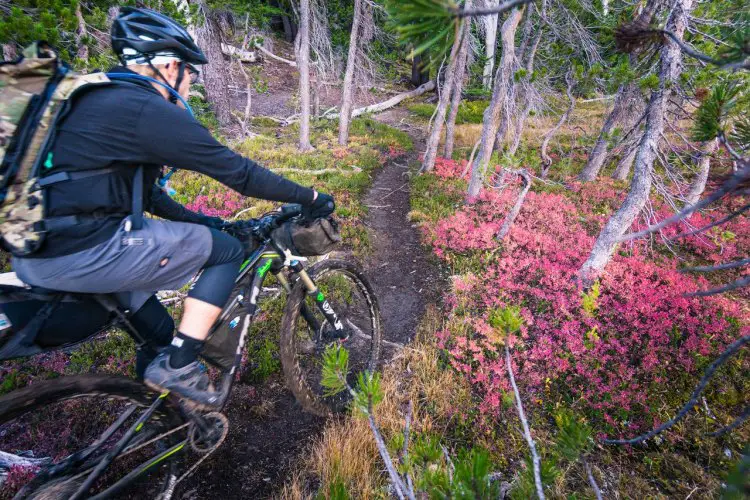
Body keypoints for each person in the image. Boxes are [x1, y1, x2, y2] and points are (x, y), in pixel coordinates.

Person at [11, 7, 334, 406]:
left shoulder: (95, 99)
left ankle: (161, 395)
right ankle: (179, 365)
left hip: (36, 254)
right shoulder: (144, 109)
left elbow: (151, 197)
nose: (192, 83)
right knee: (227, 252)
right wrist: (312, 197)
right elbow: (240, 174)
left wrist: (210, 221)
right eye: (190, 72)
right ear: (167, 65)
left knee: (154, 316)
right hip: (85, 251)